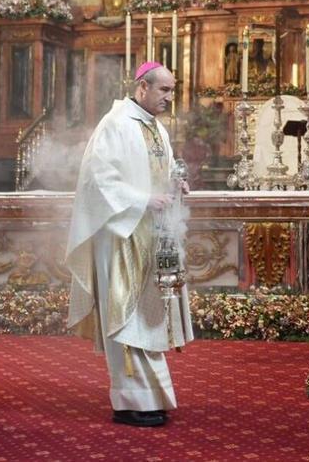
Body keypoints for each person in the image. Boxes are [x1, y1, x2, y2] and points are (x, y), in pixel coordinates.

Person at [66, 62, 194, 428]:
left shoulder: (157, 129)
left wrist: (175, 186)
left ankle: (149, 398)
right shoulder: (117, 124)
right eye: (164, 90)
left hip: (150, 235)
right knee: (125, 318)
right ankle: (128, 402)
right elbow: (96, 180)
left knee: (147, 318)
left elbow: (163, 173)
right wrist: (140, 200)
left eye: (173, 90)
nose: (170, 98)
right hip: (121, 235)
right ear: (142, 88)